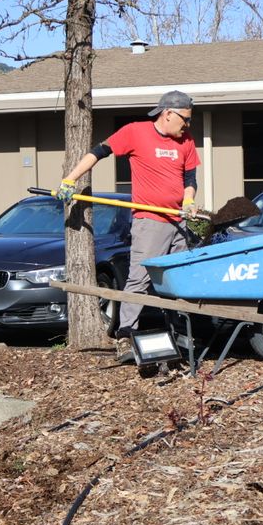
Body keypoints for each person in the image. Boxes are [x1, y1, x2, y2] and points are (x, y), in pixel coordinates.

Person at [57, 90, 199, 349]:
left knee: (178, 280)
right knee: (140, 278)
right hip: (150, 220)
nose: (188, 125)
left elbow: (190, 179)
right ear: (168, 114)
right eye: (185, 119)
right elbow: (99, 151)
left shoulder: (186, 141)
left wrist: (188, 200)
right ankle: (126, 333)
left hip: (178, 221)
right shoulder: (135, 132)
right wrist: (70, 179)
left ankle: (179, 334)